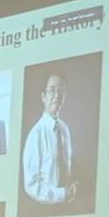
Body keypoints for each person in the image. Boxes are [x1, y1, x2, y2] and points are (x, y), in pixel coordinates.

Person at [22, 72, 78, 206]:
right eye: (52, 90)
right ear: (43, 96)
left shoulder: (64, 129)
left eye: (61, 90)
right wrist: (62, 194)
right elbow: (31, 185)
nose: (57, 95)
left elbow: (67, 167)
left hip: (67, 205)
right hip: (45, 209)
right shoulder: (36, 134)